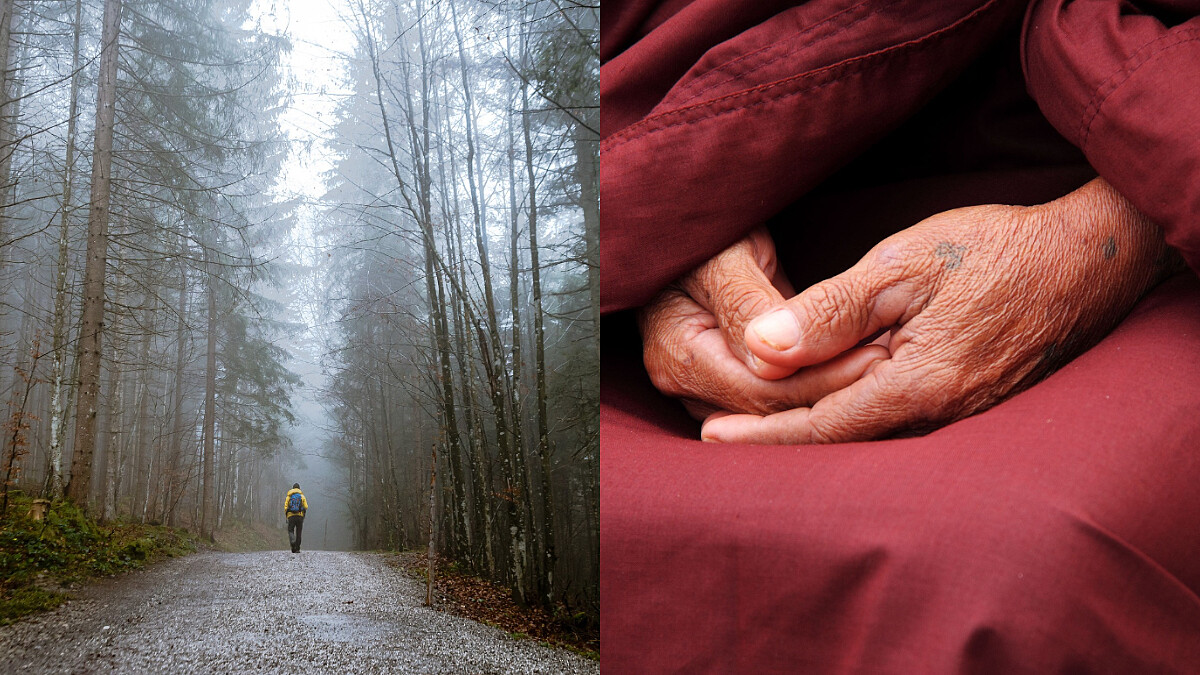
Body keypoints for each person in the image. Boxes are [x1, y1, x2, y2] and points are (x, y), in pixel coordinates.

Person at [602, 0, 1200, 670]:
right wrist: (668, 216)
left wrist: (1113, 238)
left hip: (1135, 191)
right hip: (676, 227)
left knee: (1005, 570)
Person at [284, 483, 307, 554]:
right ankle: (297, 548)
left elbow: (285, 507)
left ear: (293, 488)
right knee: (299, 532)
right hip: (300, 516)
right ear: (299, 488)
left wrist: (288, 514)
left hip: (291, 516)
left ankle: (293, 543)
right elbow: (306, 506)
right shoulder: (302, 496)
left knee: (290, 530)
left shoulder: (289, 496)